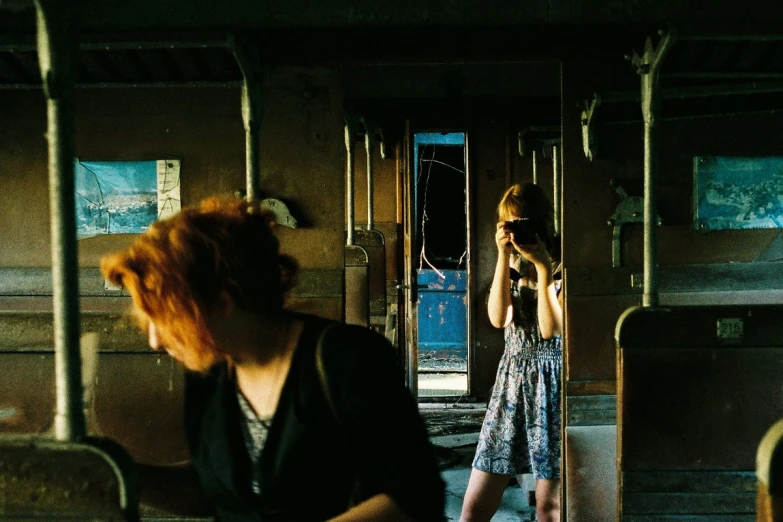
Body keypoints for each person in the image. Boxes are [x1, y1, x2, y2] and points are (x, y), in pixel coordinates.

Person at [100, 195, 446, 522]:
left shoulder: (346, 358)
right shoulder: (210, 369)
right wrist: (115, 473)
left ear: (222, 304)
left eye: (167, 319)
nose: (155, 340)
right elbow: (214, 488)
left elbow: (413, 497)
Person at [460, 183, 563, 522]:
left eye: (523, 222)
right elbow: (498, 318)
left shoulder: (564, 266)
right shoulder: (513, 267)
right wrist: (504, 256)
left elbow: (550, 330)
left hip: (553, 388)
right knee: (474, 506)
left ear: (543, 222)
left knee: (550, 509)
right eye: (509, 224)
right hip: (512, 383)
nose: (517, 231)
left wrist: (545, 268)